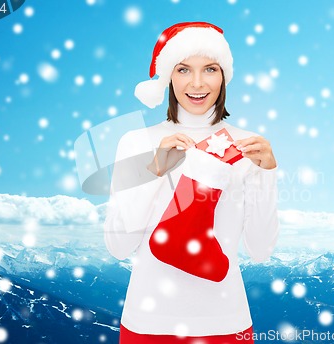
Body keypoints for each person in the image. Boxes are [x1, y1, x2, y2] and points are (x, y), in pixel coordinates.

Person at [104, 22, 279, 344]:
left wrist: (267, 175)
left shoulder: (248, 146)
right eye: (184, 69)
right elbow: (118, 246)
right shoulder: (136, 141)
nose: (197, 83)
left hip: (226, 322)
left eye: (210, 69)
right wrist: (153, 172)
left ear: (224, 75)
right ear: (168, 75)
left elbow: (260, 249)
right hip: (148, 322)